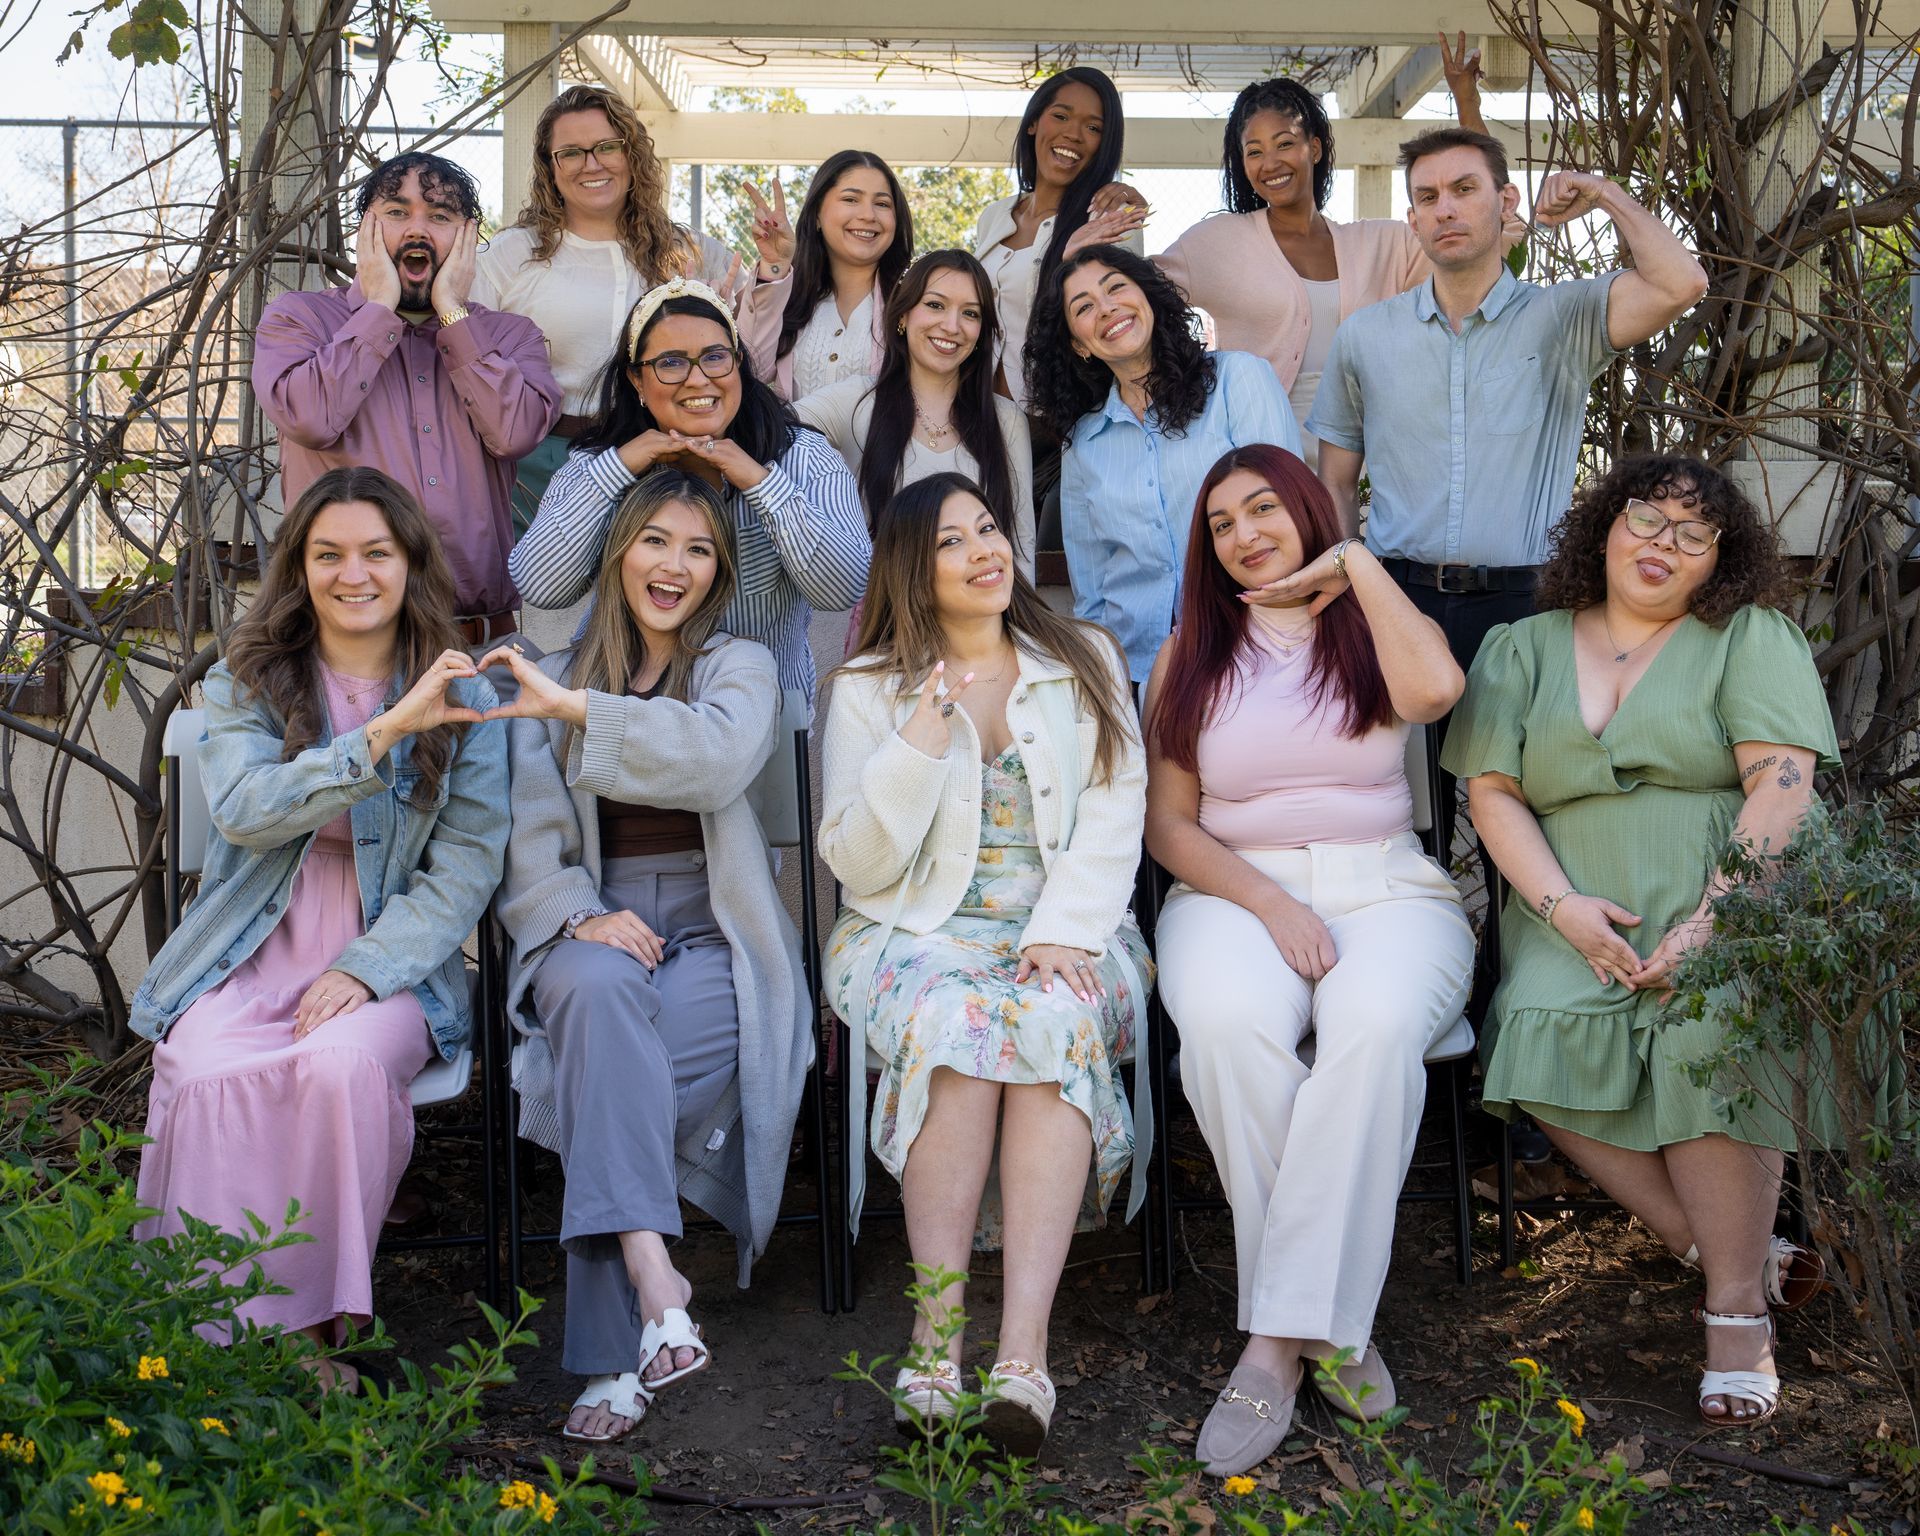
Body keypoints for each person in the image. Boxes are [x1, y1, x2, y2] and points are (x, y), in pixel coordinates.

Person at [1443, 455, 1838, 1429]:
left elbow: (1783, 785)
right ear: (1604, 528)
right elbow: (1490, 791)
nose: (1662, 544)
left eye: (1692, 534)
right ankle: (1721, 1244)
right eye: (1647, 519)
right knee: (1530, 1033)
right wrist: (1561, 906)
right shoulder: (1520, 649)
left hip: (1730, 885)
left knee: (1713, 1038)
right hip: (1573, 902)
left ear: (1721, 561)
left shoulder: (1748, 637)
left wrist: (1716, 918)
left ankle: (1737, 1315)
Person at [129, 467, 507, 1389]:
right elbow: (250, 813)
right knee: (203, 1063)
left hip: (392, 953)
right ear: (301, 567)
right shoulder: (246, 679)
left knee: (338, 1066)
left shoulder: (468, 698)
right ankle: (208, 1334)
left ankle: (307, 1338)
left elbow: (465, 869)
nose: (354, 573)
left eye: (377, 552)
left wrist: (370, 970)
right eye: (329, 553)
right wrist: (379, 738)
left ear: (409, 564)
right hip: (254, 945)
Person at [1143, 444, 1472, 1476]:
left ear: (1303, 510)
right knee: (1230, 1034)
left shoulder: (1370, 627)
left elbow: (1436, 691)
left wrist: (1356, 566)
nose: (1243, 536)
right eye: (1221, 524)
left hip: (1388, 887)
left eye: (1261, 511)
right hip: (1234, 892)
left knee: (1373, 1032)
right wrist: (1272, 900)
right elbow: (1170, 828)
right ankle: (1336, 1332)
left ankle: (1275, 1344)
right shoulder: (1187, 651)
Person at [818, 472, 1151, 1456]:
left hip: (1072, 926)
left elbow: (1115, 807)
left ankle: (1022, 1358)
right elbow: (859, 863)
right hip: (908, 934)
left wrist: (1066, 929)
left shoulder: (1081, 656)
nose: (983, 550)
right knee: (957, 1024)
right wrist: (921, 732)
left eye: (990, 528)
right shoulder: (868, 689)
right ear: (914, 574)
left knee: (1048, 1017)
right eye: (953, 542)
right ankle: (934, 1341)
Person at [487, 469, 810, 1445]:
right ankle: (656, 1287)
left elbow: (715, 756)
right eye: (656, 541)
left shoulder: (737, 664)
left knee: (608, 1087)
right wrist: (576, 912)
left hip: (716, 928)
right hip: (590, 925)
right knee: (591, 998)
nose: (675, 565)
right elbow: (524, 841)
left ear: (717, 573)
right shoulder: (550, 667)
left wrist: (579, 710)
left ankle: (612, 1347)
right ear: (618, 548)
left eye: (699, 549)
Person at [1308, 127, 1710, 679]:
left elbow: (1681, 284)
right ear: (1414, 219)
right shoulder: (1364, 336)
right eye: (1428, 198)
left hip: (1525, 604)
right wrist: (1351, 590)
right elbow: (1335, 481)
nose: (1446, 209)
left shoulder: (1564, 319)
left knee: (1510, 768)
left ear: (1505, 201)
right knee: (1404, 769)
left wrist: (1603, 193)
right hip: (1394, 600)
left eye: (1464, 189)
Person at [510, 276, 869, 706]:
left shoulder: (801, 457)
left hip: (755, 730)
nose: (698, 380)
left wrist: (759, 482)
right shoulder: (598, 463)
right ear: (637, 381)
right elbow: (541, 586)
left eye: (715, 358)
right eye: (672, 363)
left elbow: (843, 587)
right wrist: (619, 468)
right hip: (618, 717)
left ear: (738, 364)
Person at [1138, 37, 1495, 466]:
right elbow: (1130, 294)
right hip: (1263, 453)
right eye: (1254, 152)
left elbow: (1487, 226)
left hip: (1369, 452)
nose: (1270, 162)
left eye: (1285, 143)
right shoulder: (1219, 241)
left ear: (1316, 147)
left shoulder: (1383, 243)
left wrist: (1467, 103)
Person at [254, 152, 562, 647]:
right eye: (397, 213)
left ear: (468, 237)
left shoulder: (510, 336)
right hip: (345, 654)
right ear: (364, 231)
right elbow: (310, 418)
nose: (417, 231)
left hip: (480, 650)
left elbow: (513, 433)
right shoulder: (299, 321)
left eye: (440, 217)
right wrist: (377, 308)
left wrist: (454, 316)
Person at [475, 85, 749, 534]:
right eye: (571, 153)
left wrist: (773, 270)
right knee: (547, 595)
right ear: (550, 168)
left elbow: (755, 337)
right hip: (545, 459)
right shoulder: (513, 254)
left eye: (607, 146)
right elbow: (467, 355)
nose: (592, 163)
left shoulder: (688, 252)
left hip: (667, 453)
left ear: (632, 153)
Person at [1025, 244, 1302, 686]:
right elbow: (1092, 588)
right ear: (1078, 343)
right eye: (1084, 307)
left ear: (1148, 295)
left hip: (1249, 660)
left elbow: (1289, 522)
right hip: (1134, 671)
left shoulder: (1238, 380)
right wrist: (1105, 683)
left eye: (1116, 287)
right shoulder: (1083, 442)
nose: (1107, 307)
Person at [793, 249, 1034, 573]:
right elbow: (767, 427)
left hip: (978, 616)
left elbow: (1021, 547)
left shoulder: (1006, 420)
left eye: (971, 313)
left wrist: (1016, 625)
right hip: (883, 617)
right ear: (903, 315)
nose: (952, 326)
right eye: (935, 305)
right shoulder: (856, 401)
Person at [971, 67, 1144, 417]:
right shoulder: (994, 216)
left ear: (1104, 145)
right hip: (979, 416)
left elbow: (1118, 330)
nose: (1074, 134)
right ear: (1034, 122)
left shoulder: (1110, 219)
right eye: (1061, 116)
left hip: (1060, 422)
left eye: (1093, 128)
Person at [739, 150, 913, 401]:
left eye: (882, 204)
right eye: (851, 199)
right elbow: (751, 367)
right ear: (817, 215)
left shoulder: (914, 300)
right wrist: (774, 266)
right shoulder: (790, 295)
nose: (868, 215)